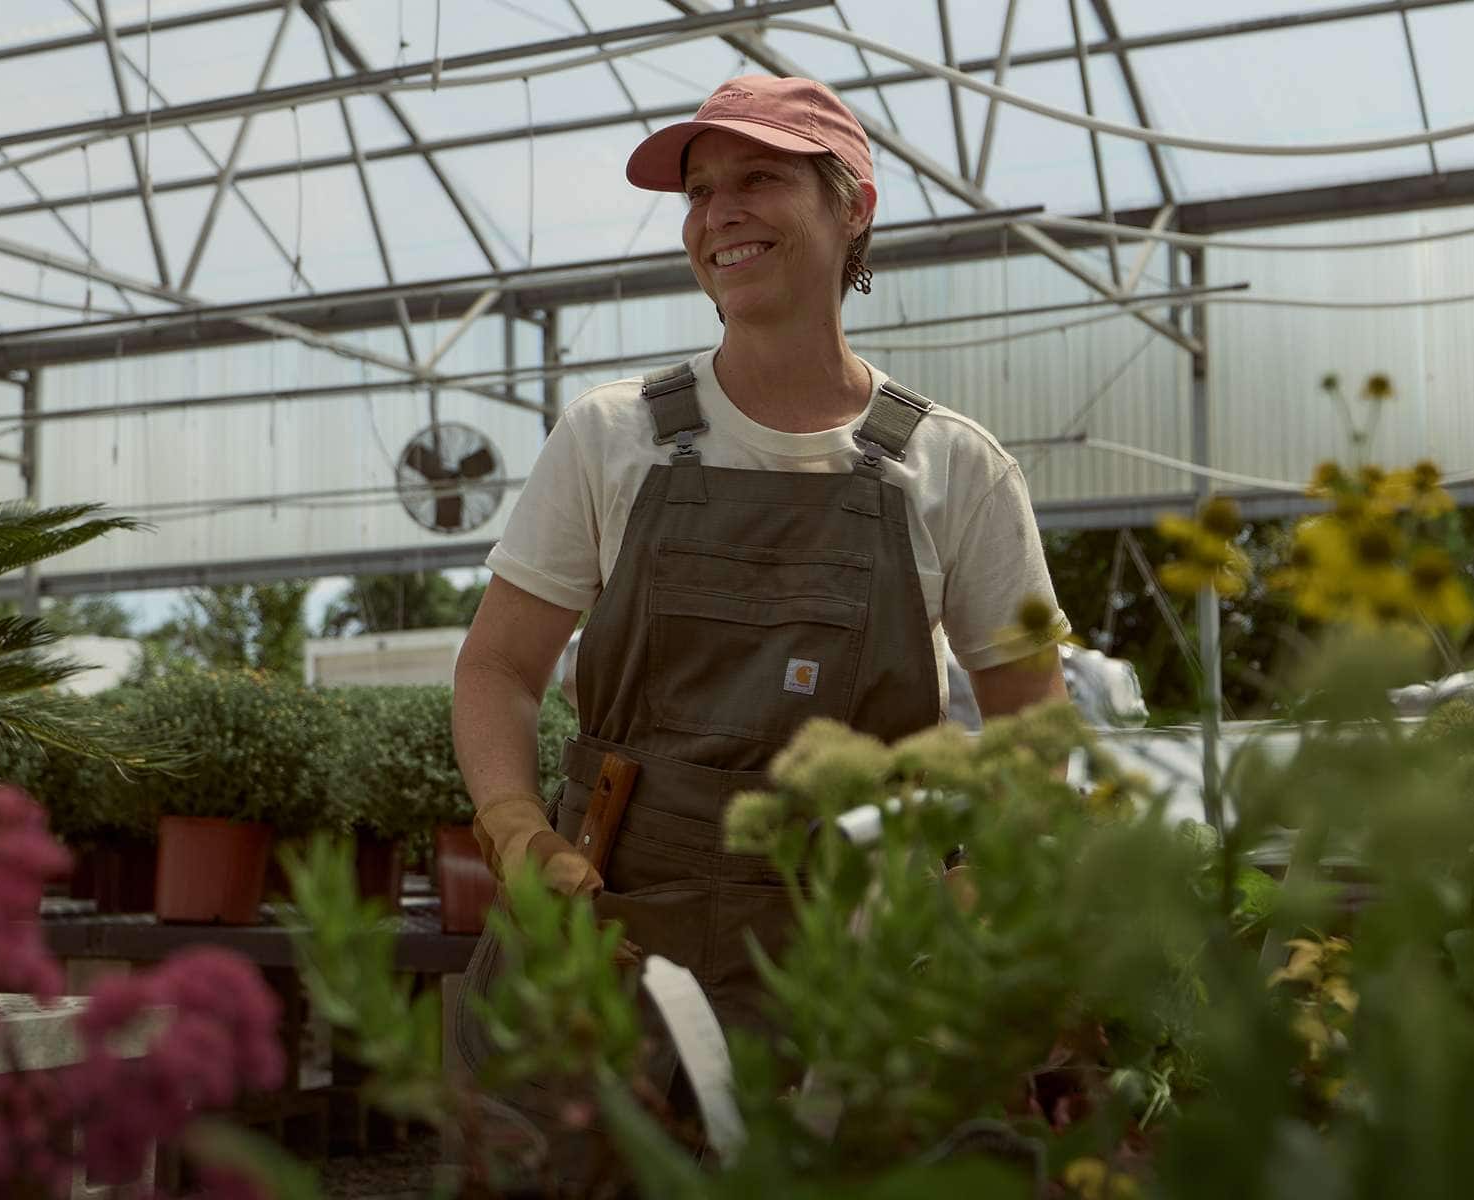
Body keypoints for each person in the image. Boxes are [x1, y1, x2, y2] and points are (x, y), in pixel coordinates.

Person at [451, 74, 1069, 1187]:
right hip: (615, 931)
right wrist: (512, 826)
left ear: (853, 207)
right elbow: (497, 667)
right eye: (699, 192)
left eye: (759, 179)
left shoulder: (955, 468)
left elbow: (1036, 730)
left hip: (855, 964)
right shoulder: (614, 437)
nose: (718, 213)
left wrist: (979, 895)